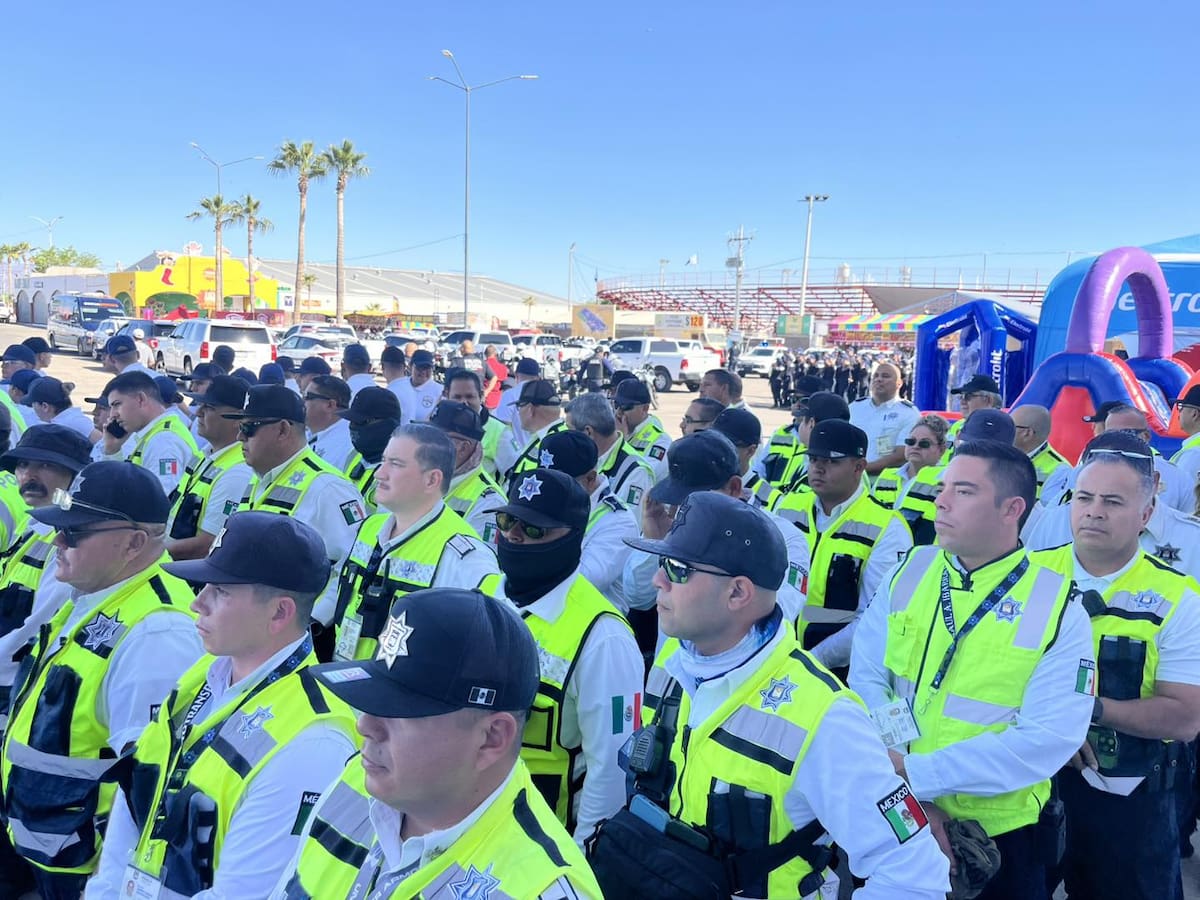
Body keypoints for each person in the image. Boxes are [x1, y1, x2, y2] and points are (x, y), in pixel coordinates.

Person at [590, 491, 949, 898]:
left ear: (738, 593)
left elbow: (914, 874)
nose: (658, 579)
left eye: (677, 569)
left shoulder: (825, 716)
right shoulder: (673, 664)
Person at [850, 440, 1095, 899]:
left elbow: (1048, 738)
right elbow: (868, 677)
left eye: (963, 491)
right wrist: (905, 783)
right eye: (943, 487)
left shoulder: (1056, 605)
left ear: (1012, 509)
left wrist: (917, 772)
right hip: (899, 811)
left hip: (1000, 839)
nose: (940, 500)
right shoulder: (913, 569)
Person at [87, 513, 360, 899]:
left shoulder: (314, 739)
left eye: (221, 591)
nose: (198, 602)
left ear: (279, 612)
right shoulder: (204, 672)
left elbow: (243, 893)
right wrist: (104, 890)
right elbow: (138, 783)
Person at [271, 587, 604, 899]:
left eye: (398, 712)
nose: (365, 725)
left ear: (491, 738)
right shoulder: (355, 780)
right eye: (370, 704)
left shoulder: (540, 889)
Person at [0, 462, 203, 897]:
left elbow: (147, 786)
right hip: (42, 835)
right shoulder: (99, 593)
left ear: (132, 543)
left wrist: (110, 881)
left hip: (80, 863)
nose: (57, 540)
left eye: (73, 533)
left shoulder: (158, 632)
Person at [1026, 432, 1200, 899]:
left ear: (1145, 515)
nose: (1094, 510)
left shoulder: (1179, 599)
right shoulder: (1025, 576)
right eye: (1083, 497)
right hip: (1025, 788)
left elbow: (1185, 717)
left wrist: (1084, 711)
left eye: (1112, 501)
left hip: (1131, 804)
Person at [479, 467, 644, 842]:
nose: (513, 536)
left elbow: (612, 769)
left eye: (533, 529)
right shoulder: (484, 593)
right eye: (507, 521)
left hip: (544, 842)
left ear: (573, 539)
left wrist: (583, 857)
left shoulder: (604, 638)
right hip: (468, 822)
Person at [0, 426, 91, 899]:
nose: (27, 475)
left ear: (73, 476)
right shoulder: (35, 527)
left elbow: (34, 629)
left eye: (41, 466)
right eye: (21, 465)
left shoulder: (71, 540)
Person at [319, 424, 499, 660]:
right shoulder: (369, 528)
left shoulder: (464, 555)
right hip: (342, 679)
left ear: (432, 480)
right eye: (384, 461)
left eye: (396, 464)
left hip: (400, 693)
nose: (379, 473)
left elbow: (488, 642)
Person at [774, 420, 913, 672]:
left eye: (831, 461)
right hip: (775, 659)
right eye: (814, 459)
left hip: (843, 671)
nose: (817, 468)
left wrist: (813, 662)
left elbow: (872, 618)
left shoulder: (888, 527)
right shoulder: (787, 506)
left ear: (859, 467)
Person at [226, 385, 367, 577]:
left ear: (283, 430)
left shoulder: (329, 490)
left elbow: (344, 576)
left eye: (248, 427)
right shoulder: (259, 477)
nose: (239, 436)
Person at [539, 430, 638, 605]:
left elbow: (586, 580)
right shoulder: (550, 500)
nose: (549, 490)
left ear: (590, 478)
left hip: (590, 622)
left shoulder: (619, 521)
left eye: (560, 484)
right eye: (545, 479)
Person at [165, 375, 255, 560]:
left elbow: (208, 544)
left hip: (189, 578)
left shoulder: (237, 472)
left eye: (209, 407)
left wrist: (152, 555)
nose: (198, 412)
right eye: (201, 405)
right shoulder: (204, 454)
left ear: (238, 418)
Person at [899, 409, 1016, 545]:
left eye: (988, 452)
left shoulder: (1010, 494)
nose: (975, 456)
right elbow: (902, 533)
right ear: (956, 437)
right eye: (968, 446)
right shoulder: (926, 477)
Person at [104, 370, 200, 495]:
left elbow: (160, 502)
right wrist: (113, 450)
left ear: (141, 399)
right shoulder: (155, 434)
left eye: (117, 404)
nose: (113, 414)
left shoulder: (164, 441)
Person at [566, 392, 655, 510]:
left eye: (569, 430)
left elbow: (626, 525)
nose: (566, 437)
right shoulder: (584, 458)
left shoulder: (636, 472)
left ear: (588, 432)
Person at [431, 400, 506, 539]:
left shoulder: (489, 504)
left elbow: (480, 558)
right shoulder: (428, 478)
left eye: (435, 438)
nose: (424, 445)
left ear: (463, 448)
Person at [849, 362, 921, 476]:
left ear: (899, 383)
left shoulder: (909, 413)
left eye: (885, 376)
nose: (879, 379)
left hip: (883, 479)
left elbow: (901, 455)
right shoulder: (855, 408)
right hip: (850, 477)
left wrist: (862, 469)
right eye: (875, 376)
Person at [340, 386, 402, 511]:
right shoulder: (354, 454)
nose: (353, 427)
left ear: (387, 425)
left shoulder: (400, 473)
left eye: (361, 422)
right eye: (351, 421)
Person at [753, 375, 822, 486]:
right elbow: (758, 471)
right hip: (771, 501)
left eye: (804, 400)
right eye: (794, 399)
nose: (797, 404)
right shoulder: (780, 434)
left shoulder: (823, 439)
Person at [497, 379, 567, 489]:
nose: (518, 412)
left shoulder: (555, 442)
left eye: (519, 407)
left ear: (530, 409)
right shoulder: (544, 437)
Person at [874, 414, 949, 508]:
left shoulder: (946, 481)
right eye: (911, 441)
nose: (915, 446)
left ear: (941, 450)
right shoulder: (886, 476)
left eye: (924, 443)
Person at [712, 406, 780, 509]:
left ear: (750, 451)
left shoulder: (773, 501)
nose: (716, 450)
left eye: (727, 445)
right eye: (713, 441)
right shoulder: (699, 485)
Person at [443, 368, 506, 477]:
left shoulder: (499, 431)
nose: (463, 402)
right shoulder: (438, 426)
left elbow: (514, 474)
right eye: (457, 397)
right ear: (447, 396)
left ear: (481, 396)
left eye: (469, 396)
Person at [612, 377, 671, 479]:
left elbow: (644, 475)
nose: (619, 412)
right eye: (616, 405)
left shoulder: (661, 441)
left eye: (626, 407)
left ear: (645, 408)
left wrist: (621, 443)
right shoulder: (613, 431)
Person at [1010, 404, 1070, 499]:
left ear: (1027, 433)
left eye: (1010, 426)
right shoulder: (1001, 456)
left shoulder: (1059, 470)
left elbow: (1050, 511)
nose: (1005, 430)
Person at [303, 374, 357, 472]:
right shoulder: (306, 434)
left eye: (308, 397)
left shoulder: (347, 445)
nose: (302, 402)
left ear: (330, 405)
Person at [28, 375, 100, 442]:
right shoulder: (70, 418)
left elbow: (102, 445)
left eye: (33, 404)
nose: (33, 408)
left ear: (45, 407)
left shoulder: (75, 423)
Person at [946, 374, 1004, 448]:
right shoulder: (957, 426)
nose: (962, 402)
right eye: (961, 397)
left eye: (968, 396)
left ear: (988, 400)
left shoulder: (1002, 429)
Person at [393, 349, 442, 424]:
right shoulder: (398, 387)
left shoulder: (440, 391)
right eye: (419, 367)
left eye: (427, 368)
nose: (423, 372)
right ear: (410, 366)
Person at [494, 356, 541, 426]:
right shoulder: (545, 396)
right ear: (537, 378)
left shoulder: (509, 395)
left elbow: (503, 423)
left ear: (516, 375)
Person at [1172, 384, 1200, 496]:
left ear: (1194, 414)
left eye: (1181, 407)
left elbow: (1180, 494)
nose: (1179, 413)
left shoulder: (1194, 454)